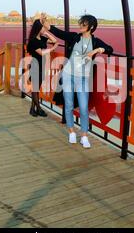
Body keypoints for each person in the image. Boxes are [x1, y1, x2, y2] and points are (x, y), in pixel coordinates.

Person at [42, 14, 113, 149]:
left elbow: (110, 49)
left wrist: (97, 50)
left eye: (83, 24)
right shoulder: (75, 37)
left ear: (91, 27)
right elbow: (57, 32)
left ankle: (84, 135)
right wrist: (44, 22)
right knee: (68, 105)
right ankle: (71, 131)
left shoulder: (96, 41)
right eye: (80, 23)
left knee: (84, 107)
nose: (80, 26)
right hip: (68, 75)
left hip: (83, 78)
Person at [26, 19, 59, 117]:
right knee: (35, 89)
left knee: (37, 88)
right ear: (37, 28)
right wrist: (52, 48)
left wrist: (46, 32)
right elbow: (41, 52)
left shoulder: (41, 38)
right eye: (42, 27)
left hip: (42, 65)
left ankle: (32, 109)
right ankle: (39, 109)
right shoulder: (33, 41)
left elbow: (55, 41)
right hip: (36, 65)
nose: (44, 29)